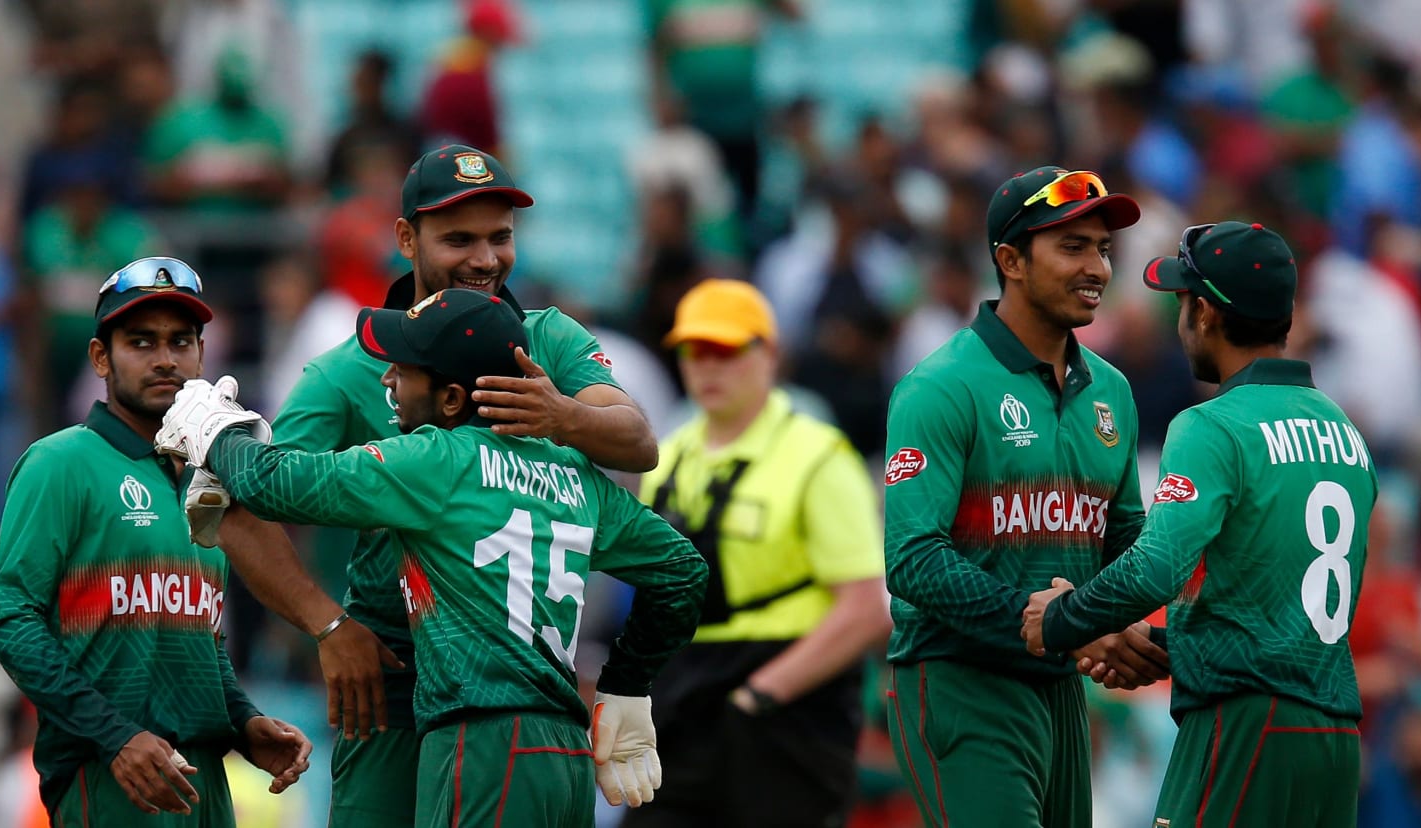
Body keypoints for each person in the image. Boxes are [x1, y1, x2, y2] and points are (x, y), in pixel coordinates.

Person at [213, 143, 659, 828]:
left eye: (499, 237)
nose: (485, 259)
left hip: (511, 682)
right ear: (405, 239)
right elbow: (244, 505)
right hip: (390, 678)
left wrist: (561, 414)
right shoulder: (346, 369)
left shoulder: (549, 339)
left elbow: (638, 440)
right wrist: (327, 626)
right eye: (458, 239)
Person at [157, 288, 709, 826]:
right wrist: (627, 683)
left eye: (405, 369)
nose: (389, 380)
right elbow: (683, 572)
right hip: (566, 756)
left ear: (450, 399)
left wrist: (214, 427)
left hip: (483, 746)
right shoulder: (576, 477)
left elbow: (277, 485)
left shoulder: (436, 457)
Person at [1022, 221, 1377, 827]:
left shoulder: (1211, 425)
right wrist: (1159, 647)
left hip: (1244, 729)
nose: (1179, 318)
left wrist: (1061, 617)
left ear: (1207, 313)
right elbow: (1274, 614)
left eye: (1183, 301)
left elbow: (1157, 567)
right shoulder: (1345, 432)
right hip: (1334, 737)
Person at [882, 166, 1165, 828]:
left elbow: (1123, 537)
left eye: (1102, 248)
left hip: (1063, 692)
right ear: (1010, 260)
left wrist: (1110, 622)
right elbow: (913, 560)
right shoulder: (942, 386)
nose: (1097, 267)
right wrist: (1049, 624)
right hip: (959, 681)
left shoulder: (1112, 392)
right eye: (1072, 247)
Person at [0, 257, 312, 824]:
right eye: (141, 342)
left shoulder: (207, 480)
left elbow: (197, 633)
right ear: (100, 358)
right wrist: (115, 738)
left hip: (203, 780)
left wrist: (242, 720)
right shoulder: (60, 463)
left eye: (181, 342)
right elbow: (10, 619)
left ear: (202, 356)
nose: (166, 359)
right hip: (112, 775)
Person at [630, 279, 890, 827]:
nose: (707, 367)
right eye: (693, 352)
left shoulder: (819, 456)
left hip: (788, 707)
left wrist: (760, 695)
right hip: (683, 694)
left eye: (724, 351)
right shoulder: (666, 458)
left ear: (769, 354)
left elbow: (866, 609)